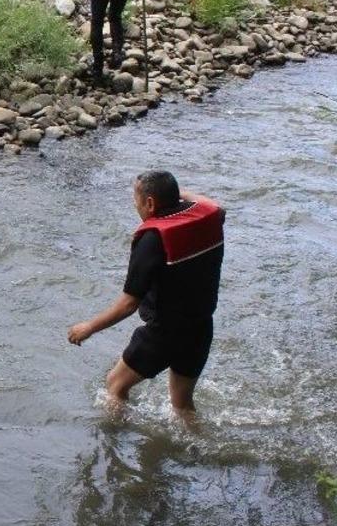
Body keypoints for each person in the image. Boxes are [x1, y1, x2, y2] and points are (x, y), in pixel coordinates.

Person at [67, 171, 225, 419]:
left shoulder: (153, 239)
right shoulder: (211, 218)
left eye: (136, 199)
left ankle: (115, 448)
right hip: (201, 329)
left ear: (150, 203)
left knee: (115, 385)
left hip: (164, 334)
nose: (134, 204)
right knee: (182, 406)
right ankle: (195, 453)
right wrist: (173, 193)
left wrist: (89, 327)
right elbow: (215, 206)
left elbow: (129, 304)